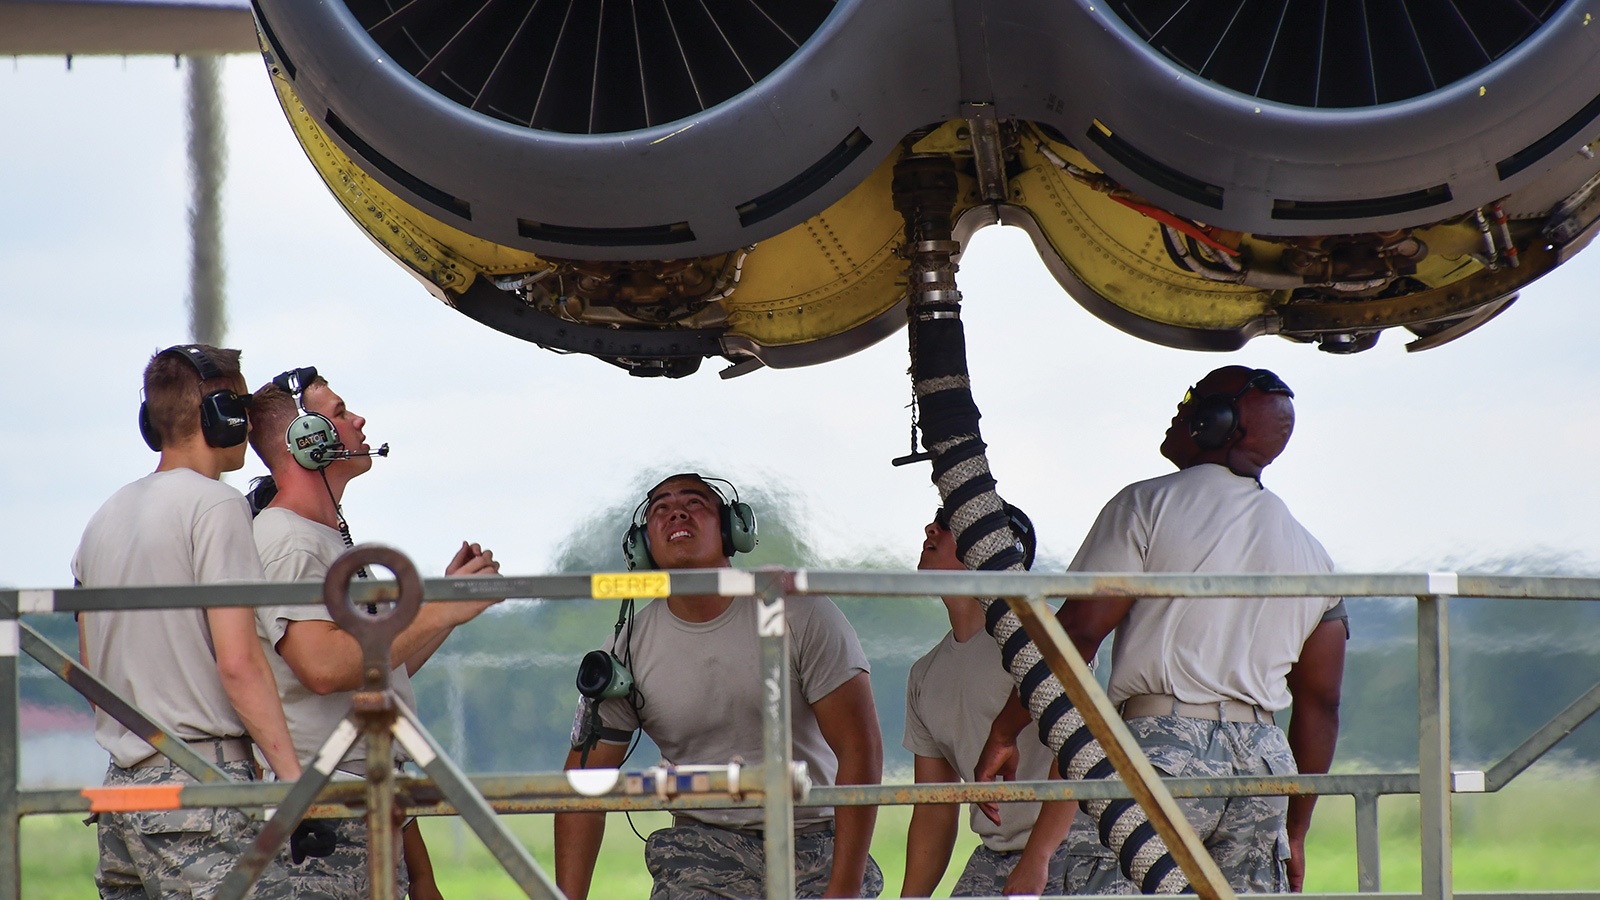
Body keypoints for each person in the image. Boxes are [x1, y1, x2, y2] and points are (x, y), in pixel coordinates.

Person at [977, 366, 1348, 894]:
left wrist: (1003, 730)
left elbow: (1078, 633)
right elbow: (1321, 705)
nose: (1181, 408)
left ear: (1214, 423)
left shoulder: (1147, 504)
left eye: (1193, 399)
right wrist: (1296, 830)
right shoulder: (1315, 556)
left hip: (1163, 748)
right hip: (1265, 767)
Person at [554, 474, 885, 900]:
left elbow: (861, 748)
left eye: (695, 503)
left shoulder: (800, 613)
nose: (676, 512)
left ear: (732, 531)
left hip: (813, 836)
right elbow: (583, 778)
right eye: (660, 508)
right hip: (703, 845)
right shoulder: (628, 646)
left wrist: (842, 892)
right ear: (641, 545)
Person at [247, 367, 502, 899]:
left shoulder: (320, 538)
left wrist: (447, 603)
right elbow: (324, 667)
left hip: (359, 795)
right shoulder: (288, 541)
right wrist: (439, 612)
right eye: (340, 413)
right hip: (329, 802)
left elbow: (376, 665)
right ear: (305, 442)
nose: (358, 420)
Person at [74, 343, 299, 899]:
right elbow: (240, 663)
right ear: (218, 414)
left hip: (121, 790)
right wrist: (295, 781)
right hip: (198, 782)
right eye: (240, 405)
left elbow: (89, 674)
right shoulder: (215, 505)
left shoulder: (103, 518)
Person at [900, 507, 1076, 897]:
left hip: (1077, 848)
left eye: (948, 523)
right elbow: (934, 809)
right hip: (995, 854)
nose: (930, 528)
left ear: (993, 547)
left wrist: (1037, 859)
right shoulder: (924, 675)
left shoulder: (1042, 632)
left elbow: (1079, 753)